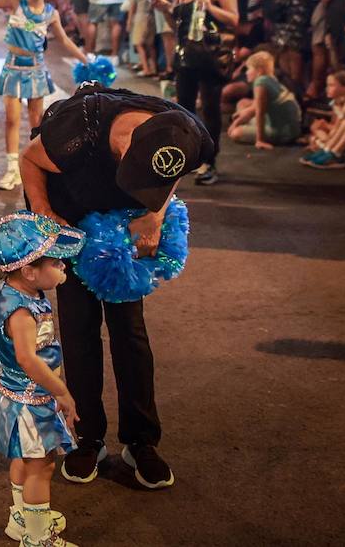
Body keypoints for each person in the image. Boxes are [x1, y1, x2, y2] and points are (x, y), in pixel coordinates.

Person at [19, 84, 214, 490]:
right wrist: (45, 213)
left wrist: (155, 213)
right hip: (72, 212)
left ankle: (142, 441)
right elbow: (29, 159)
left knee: (130, 331)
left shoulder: (186, 132)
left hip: (123, 224)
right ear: (124, 151)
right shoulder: (74, 133)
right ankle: (87, 438)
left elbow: (174, 170)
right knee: (80, 328)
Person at [0, 213, 82, 547]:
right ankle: (37, 539)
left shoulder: (16, 291)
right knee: (42, 467)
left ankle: (21, 517)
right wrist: (61, 391)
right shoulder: (22, 312)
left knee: (21, 458)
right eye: (56, 262)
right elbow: (27, 358)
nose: (63, 266)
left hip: (14, 395)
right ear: (29, 271)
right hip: (30, 402)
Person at [0, 0, 88, 191]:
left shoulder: (51, 13)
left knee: (36, 122)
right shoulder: (16, 2)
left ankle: (35, 166)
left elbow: (64, 40)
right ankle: (12, 169)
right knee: (11, 119)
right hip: (13, 67)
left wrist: (85, 59)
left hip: (36, 69)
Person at [149, 0, 238, 185]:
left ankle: (209, 160)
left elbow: (234, 19)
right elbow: (178, 24)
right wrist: (166, 8)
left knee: (210, 107)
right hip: (186, 56)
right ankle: (190, 156)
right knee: (184, 107)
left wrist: (210, 6)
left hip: (210, 57)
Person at [227, 51, 301, 148]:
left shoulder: (260, 83)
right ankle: (246, 125)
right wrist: (240, 118)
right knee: (243, 103)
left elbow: (259, 112)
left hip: (283, 132)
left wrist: (260, 140)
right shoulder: (270, 78)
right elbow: (255, 107)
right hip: (291, 128)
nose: (246, 73)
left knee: (235, 133)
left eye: (249, 69)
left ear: (259, 71)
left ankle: (255, 132)